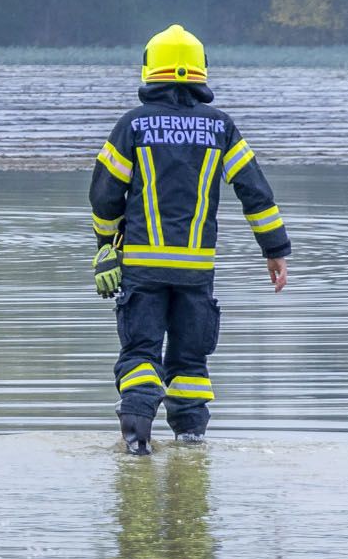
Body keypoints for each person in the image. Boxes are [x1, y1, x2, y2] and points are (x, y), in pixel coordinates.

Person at [89, 25, 290, 455]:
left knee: (141, 356)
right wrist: (274, 250)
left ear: (150, 70)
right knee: (190, 366)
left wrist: (105, 245)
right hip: (196, 273)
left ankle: (136, 448)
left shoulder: (133, 125)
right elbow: (254, 191)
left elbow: (105, 193)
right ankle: (193, 450)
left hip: (143, 269)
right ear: (201, 71)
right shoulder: (220, 128)